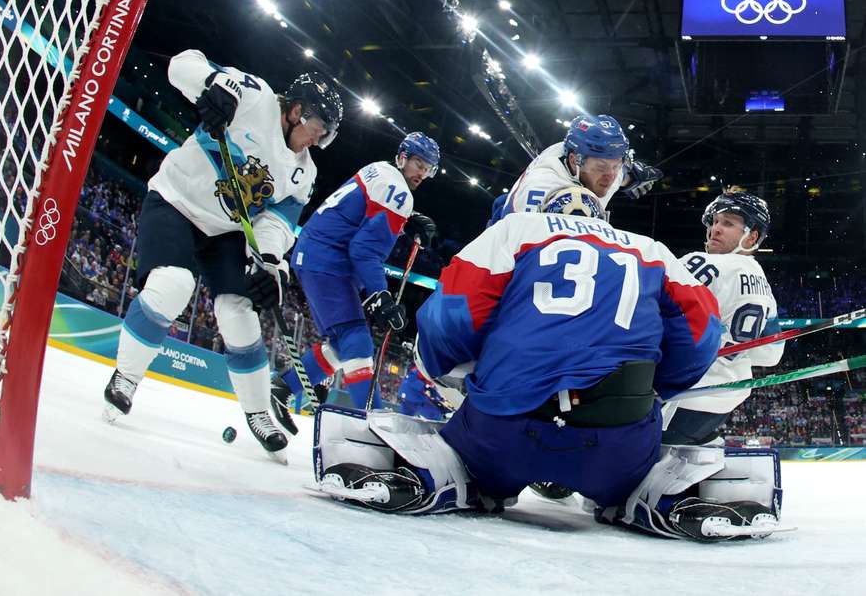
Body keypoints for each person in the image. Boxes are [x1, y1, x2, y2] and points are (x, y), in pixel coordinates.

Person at [311, 185, 781, 541]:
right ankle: (656, 495)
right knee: (630, 472)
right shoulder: (651, 249)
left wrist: (453, 373)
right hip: (616, 441)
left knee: (469, 455)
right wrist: (658, 391)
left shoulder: (516, 229)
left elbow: (448, 316)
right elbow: (701, 336)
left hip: (505, 430)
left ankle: (441, 472)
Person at [102, 48, 343, 463]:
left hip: (226, 230)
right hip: (176, 201)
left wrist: (269, 262)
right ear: (296, 110)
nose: (319, 140)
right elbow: (184, 64)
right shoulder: (256, 97)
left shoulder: (305, 171)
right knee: (173, 285)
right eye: (318, 128)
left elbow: (278, 221)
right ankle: (126, 376)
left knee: (239, 312)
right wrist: (214, 91)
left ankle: (257, 412)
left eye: (326, 134)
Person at [269, 132, 439, 434]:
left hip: (316, 253)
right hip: (328, 261)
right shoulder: (398, 190)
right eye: (418, 163)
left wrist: (406, 219)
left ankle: (283, 389)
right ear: (402, 157)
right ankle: (370, 425)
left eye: (429, 168)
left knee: (340, 343)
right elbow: (365, 250)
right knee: (357, 340)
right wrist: (380, 295)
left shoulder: (380, 169)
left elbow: (361, 212)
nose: (422, 173)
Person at [661, 188, 783, 445]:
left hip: (680, 398)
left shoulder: (702, 264)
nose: (715, 229)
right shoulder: (764, 286)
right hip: (724, 403)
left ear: (751, 237)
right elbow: (770, 356)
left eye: (728, 223)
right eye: (715, 221)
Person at [499, 114, 662, 219]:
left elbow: (620, 174)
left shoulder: (601, 169)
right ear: (573, 160)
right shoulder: (540, 189)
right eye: (601, 167)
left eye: (616, 166)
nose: (610, 176)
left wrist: (632, 179)